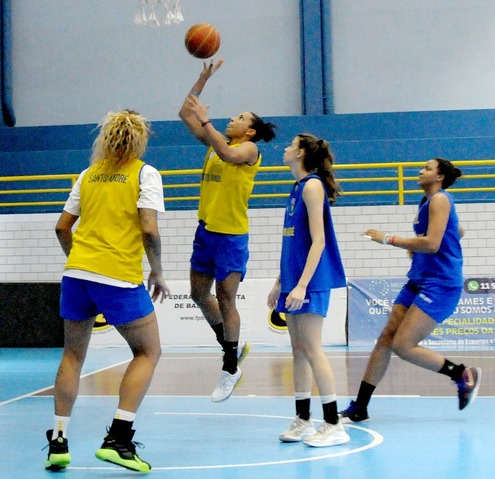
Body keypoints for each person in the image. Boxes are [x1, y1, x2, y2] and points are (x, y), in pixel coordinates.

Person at [46, 109, 170, 473]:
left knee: (72, 356)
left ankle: (58, 443)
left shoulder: (87, 175)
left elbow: (61, 228)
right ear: (139, 139)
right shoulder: (145, 173)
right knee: (148, 351)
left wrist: (80, 261)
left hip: (76, 275)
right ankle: (118, 438)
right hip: (117, 276)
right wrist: (158, 272)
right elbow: (148, 229)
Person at [340, 158, 481, 423]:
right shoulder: (426, 202)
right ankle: (360, 406)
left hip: (441, 284)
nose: (420, 171)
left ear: (439, 177)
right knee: (385, 339)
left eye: (427, 168)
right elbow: (456, 230)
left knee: (402, 346)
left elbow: (432, 244)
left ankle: (460, 373)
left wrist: (387, 239)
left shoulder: (440, 199)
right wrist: (419, 245)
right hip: (418, 279)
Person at [178, 60, 277, 402]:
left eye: (240, 118)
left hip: (232, 236)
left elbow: (226, 151)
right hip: (205, 231)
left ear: (250, 131)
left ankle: (230, 367)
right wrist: (201, 81)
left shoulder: (249, 150)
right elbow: (184, 114)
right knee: (197, 294)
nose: (232, 119)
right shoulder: (214, 143)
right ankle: (232, 345)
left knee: (225, 298)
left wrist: (206, 118)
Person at [267, 133, 350, 447]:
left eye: (291, 144)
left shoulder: (313, 186)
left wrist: (301, 285)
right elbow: (295, 244)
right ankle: (303, 418)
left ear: (301, 153)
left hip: (311, 282)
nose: (285, 148)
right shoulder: (297, 187)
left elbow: (319, 241)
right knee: (298, 351)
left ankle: (333, 424)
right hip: (293, 281)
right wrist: (280, 282)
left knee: (313, 350)